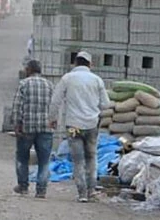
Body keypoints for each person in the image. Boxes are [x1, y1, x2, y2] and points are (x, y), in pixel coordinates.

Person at [49, 51, 111, 202]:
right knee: (91, 157)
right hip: (91, 126)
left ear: (75, 63)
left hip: (73, 126)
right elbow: (106, 104)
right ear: (90, 64)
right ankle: (91, 190)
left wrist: (52, 119)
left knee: (77, 160)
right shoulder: (97, 80)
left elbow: (55, 100)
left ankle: (81, 193)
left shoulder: (67, 78)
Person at [12, 59, 54, 198]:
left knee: (23, 157)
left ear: (29, 70)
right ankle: (41, 190)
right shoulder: (49, 85)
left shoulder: (24, 84)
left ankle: (23, 186)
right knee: (44, 160)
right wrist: (54, 122)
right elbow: (55, 106)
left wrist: (17, 124)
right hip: (45, 128)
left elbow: (18, 105)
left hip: (27, 127)